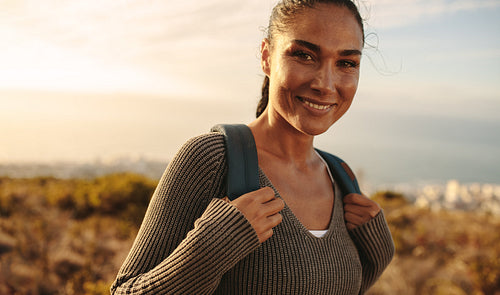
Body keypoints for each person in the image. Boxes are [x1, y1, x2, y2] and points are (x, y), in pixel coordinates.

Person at [111, 0, 394, 294]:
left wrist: (378, 253)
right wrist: (214, 246)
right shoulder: (212, 159)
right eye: (304, 55)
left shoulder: (341, 177)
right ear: (266, 57)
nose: (325, 83)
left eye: (346, 63)